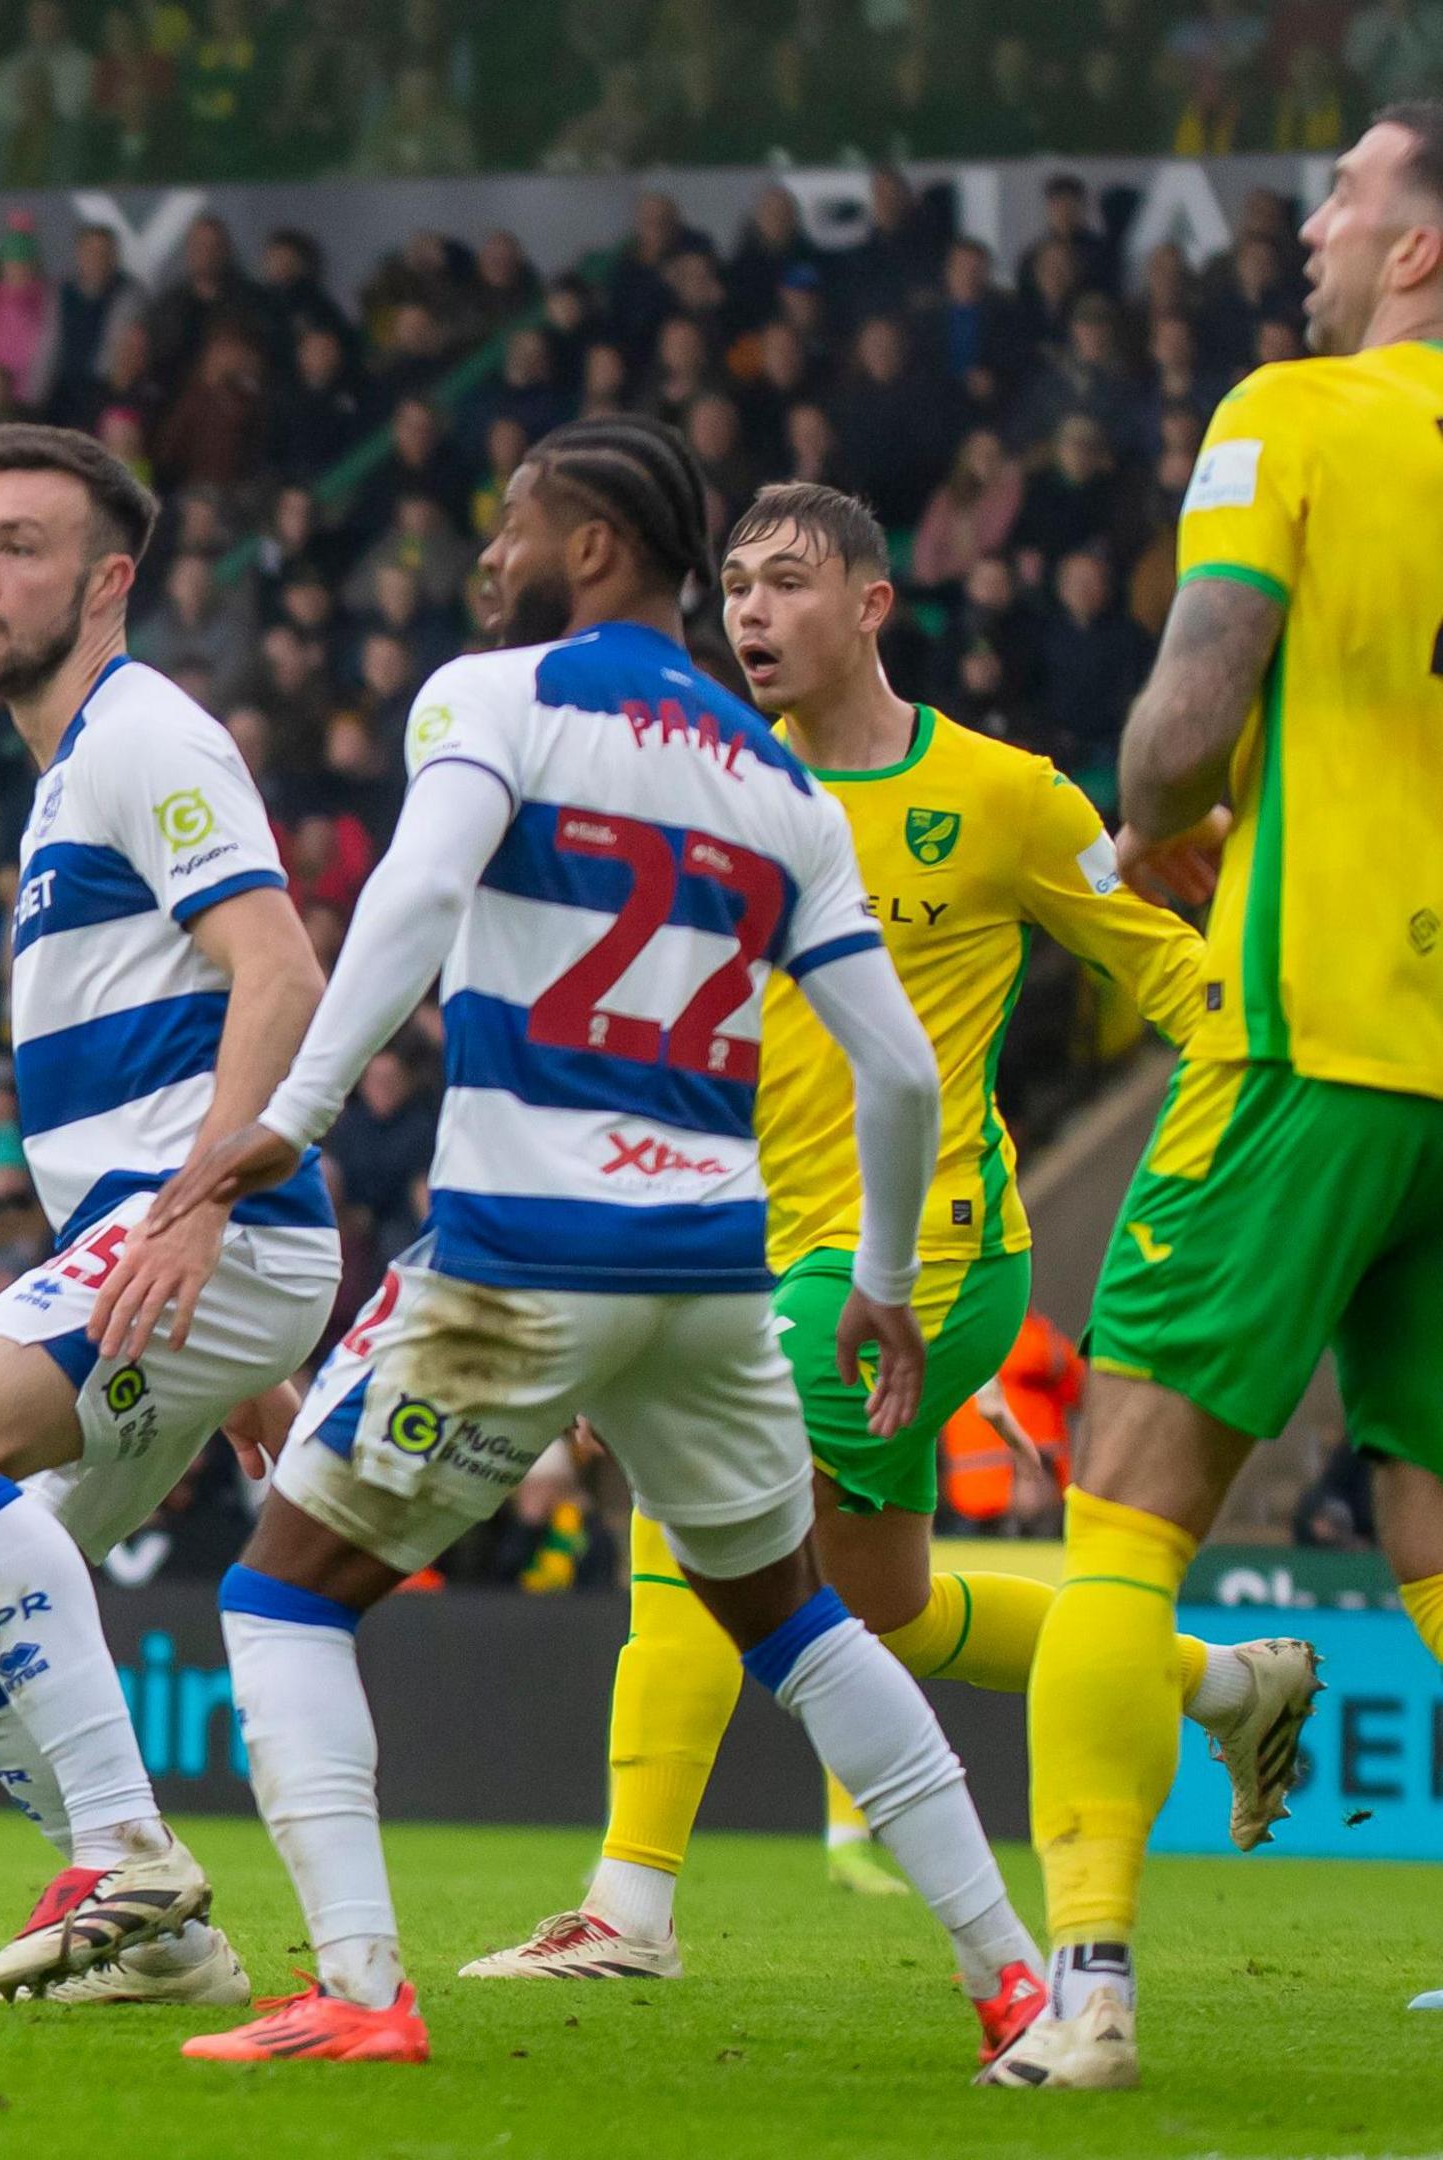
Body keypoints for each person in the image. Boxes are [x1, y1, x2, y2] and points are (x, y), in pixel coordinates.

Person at [152, 417, 1044, 2070]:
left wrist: (299, 1110)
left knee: (281, 1600)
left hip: (526, 1249)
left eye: (511, 525)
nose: (486, 556)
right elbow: (905, 1066)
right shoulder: (778, 778)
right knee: (798, 1621)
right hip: (715, 1270)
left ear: (590, 548)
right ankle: (1017, 1981)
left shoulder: (489, 697)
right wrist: (879, 1287)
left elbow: (416, 898)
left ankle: (358, 1988)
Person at [463, 483, 1319, 1975]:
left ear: (871, 605)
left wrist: (1266, 1103)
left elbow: (1172, 974)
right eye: (733, 586)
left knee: (679, 1504)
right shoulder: (710, 786)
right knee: (893, 1611)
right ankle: (1227, 1685)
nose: (748, 614)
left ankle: (630, 1907)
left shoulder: (1006, 797)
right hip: (749, 1246)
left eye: (787, 583)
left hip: (931, 1259)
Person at [987, 110, 1443, 2088]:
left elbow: (1186, 707)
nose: (1315, 224)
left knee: (1127, 1501)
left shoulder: (1297, 414)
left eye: (1349, 195)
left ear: (1420, 249)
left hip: (1306, 1026)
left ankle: (1084, 1988)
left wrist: (1156, 820)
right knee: (1432, 1521)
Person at [0, 423, 335, 2010]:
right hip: (170, 1266)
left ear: (110, 580)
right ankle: (178, 1947)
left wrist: (204, 1220)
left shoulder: (147, 737)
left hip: (192, 1234)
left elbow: (283, 973)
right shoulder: (71, 769)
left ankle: (127, 1850)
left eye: (19, 547)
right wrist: (237, 1353)